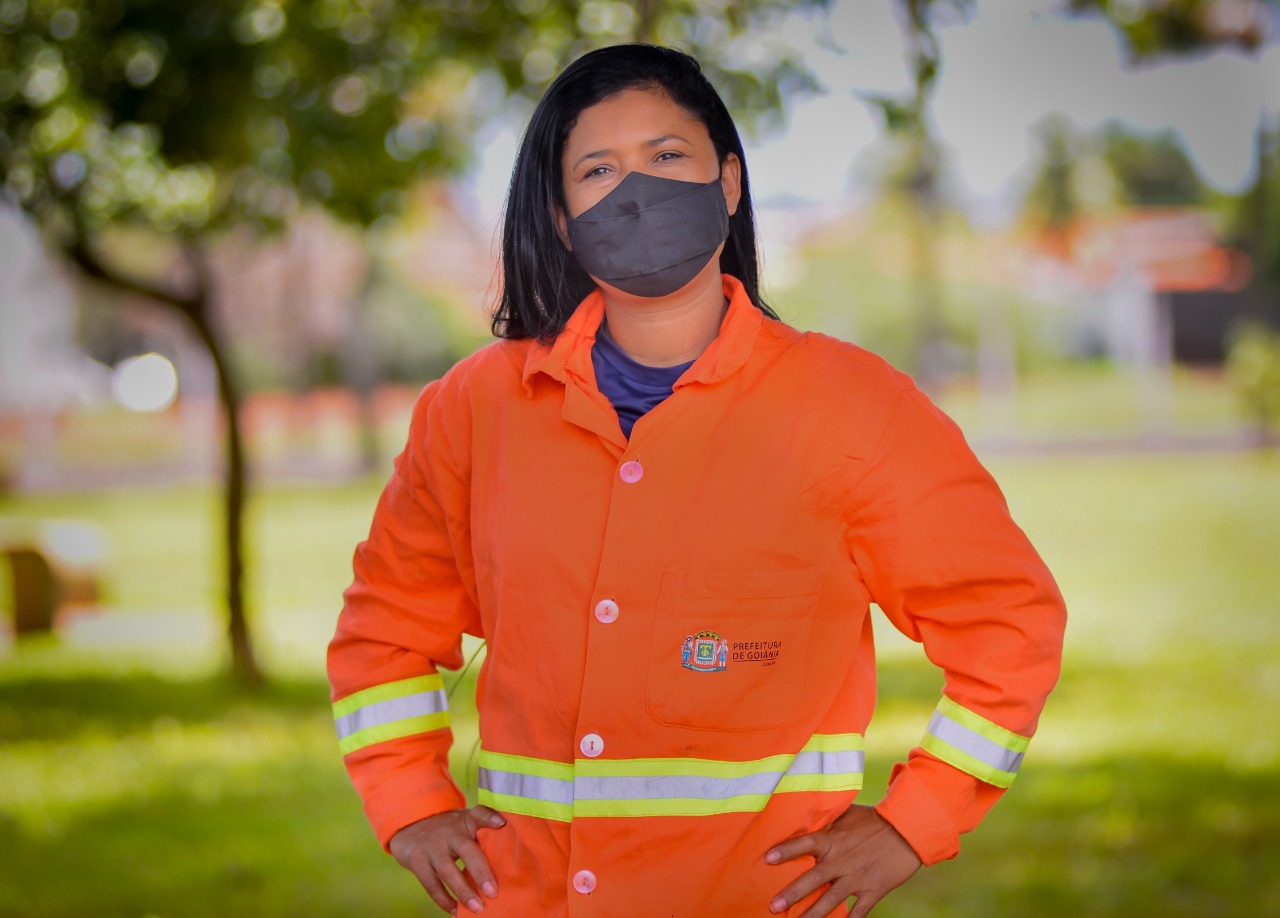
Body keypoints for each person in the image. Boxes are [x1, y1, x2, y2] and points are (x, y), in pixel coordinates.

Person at [328, 43, 1066, 918]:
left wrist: (917, 821)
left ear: (729, 182)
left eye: (667, 156)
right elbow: (386, 627)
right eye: (597, 169)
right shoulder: (473, 410)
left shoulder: (853, 408)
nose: (636, 191)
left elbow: (1008, 624)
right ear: (561, 219)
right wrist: (411, 804)